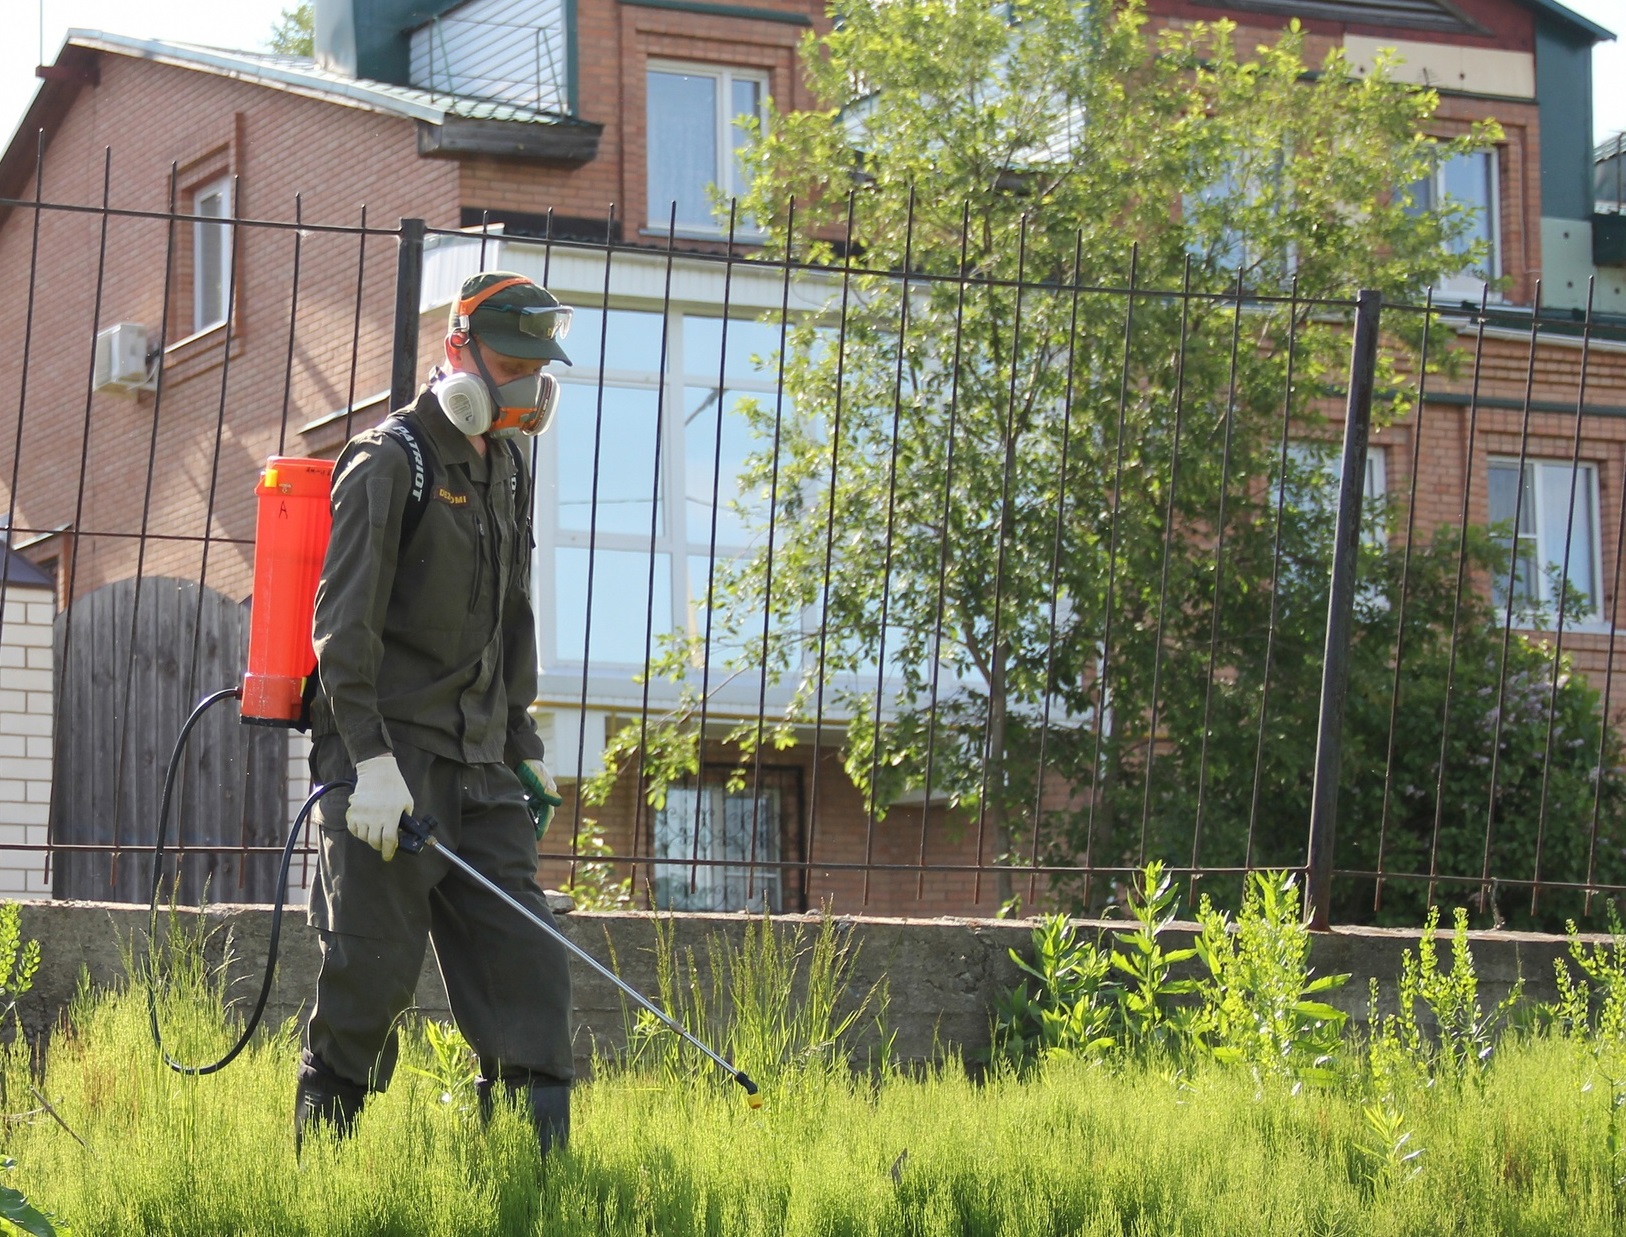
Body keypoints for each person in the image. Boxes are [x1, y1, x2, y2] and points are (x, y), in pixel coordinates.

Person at [294, 271, 574, 1159]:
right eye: (510, 359)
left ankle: (533, 1187)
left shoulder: (508, 466)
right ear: (458, 349)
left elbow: (508, 619)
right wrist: (367, 762)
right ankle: (320, 1183)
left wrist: (520, 741)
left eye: (538, 365)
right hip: (392, 768)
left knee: (526, 971)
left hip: (484, 766)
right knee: (367, 983)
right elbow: (342, 629)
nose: (526, 382)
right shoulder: (391, 461)